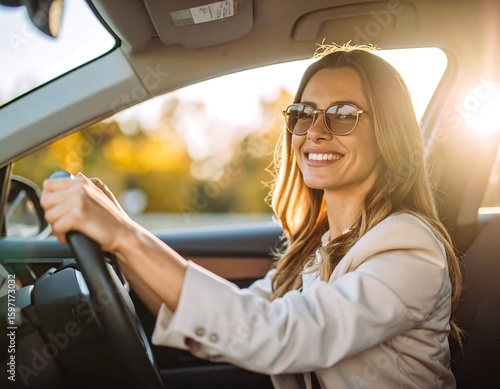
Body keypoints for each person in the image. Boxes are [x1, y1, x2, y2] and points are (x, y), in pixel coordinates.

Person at [40, 43, 462, 388]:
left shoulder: (410, 248)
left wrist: (126, 236)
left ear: (389, 131)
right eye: (303, 114)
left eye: (344, 115)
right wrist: (124, 248)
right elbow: (240, 318)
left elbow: (280, 335)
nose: (315, 130)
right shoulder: (318, 247)